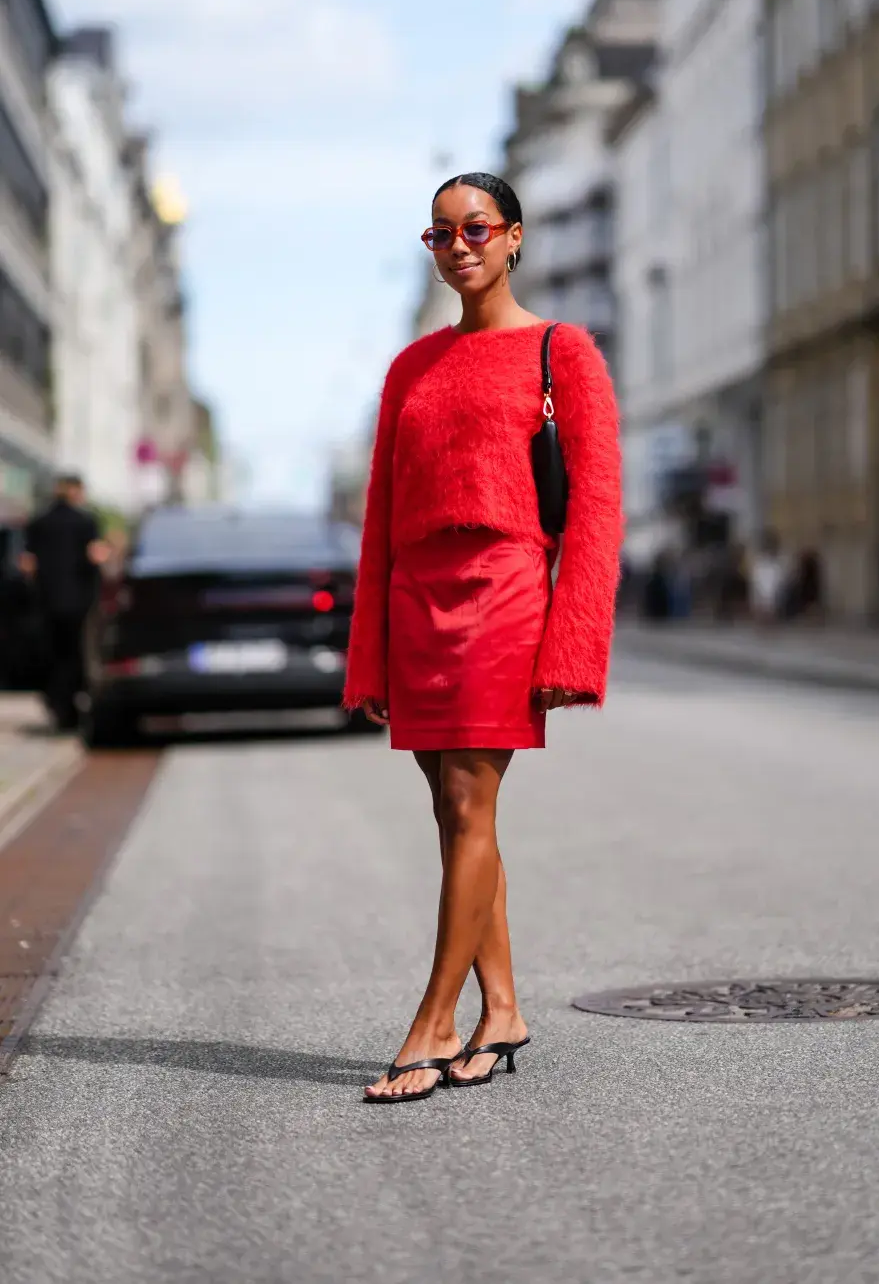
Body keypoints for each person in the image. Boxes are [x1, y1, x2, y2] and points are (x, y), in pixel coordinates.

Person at [344, 172, 622, 1104]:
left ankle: (432, 1021)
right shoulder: (410, 368)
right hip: (416, 598)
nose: (457, 246)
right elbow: (381, 516)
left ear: (514, 238)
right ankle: (501, 1007)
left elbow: (595, 512)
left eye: (475, 228)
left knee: (468, 804)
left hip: (504, 590)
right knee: (452, 812)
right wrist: (371, 649)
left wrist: (572, 647)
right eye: (439, 235)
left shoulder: (561, 351)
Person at [19, 475, 108, 730]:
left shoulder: (38, 523)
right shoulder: (86, 522)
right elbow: (96, 556)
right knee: (78, 655)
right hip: (80, 603)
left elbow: (27, 565)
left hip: (46, 602)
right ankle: (75, 707)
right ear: (76, 492)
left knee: (53, 655)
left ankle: (59, 706)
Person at [749, 530, 786, 627]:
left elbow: (778, 584)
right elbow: (756, 583)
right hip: (764, 598)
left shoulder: (777, 564)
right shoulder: (760, 563)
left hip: (771, 599)